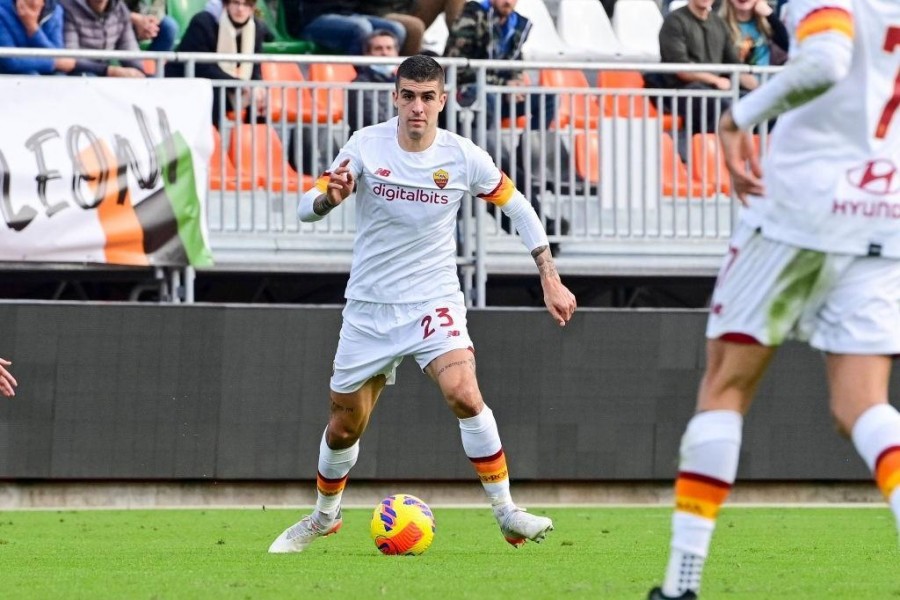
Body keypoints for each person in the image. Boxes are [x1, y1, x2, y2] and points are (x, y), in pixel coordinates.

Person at [268, 54, 577, 554]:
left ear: (443, 100)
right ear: (395, 97)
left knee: (464, 394)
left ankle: (507, 513)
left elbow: (517, 206)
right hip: (369, 307)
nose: (417, 107)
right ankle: (324, 517)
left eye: (427, 97)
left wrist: (550, 276)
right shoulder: (366, 145)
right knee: (344, 427)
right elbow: (307, 205)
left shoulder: (462, 156)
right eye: (408, 96)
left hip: (433, 301)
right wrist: (329, 197)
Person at [648, 0, 900, 598]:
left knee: (725, 387)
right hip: (881, 212)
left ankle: (681, 586)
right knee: (862, 405)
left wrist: (737, 117)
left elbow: (826, 62)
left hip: (800, 208)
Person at [445, 0, 554, 132]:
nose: (508, 1)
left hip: (499, 93)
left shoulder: (517, 25)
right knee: (488, 96)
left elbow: (516, 63)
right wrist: (504, 84)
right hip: (465, 93)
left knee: (547, 97)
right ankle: (488, 151)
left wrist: (516, 85)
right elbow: (459, 70)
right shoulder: (472, 15)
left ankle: (526, 150)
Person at [654, 0, 758, 134]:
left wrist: (760, 89)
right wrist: (715, 80)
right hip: (682, 92)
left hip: (717, 90)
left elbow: (734, 64)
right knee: (725, 108)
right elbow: (681, 69)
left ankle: (757, 152)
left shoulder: (719, 23)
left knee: (761, 105)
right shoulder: (674, 21)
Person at [164, 0, 266, 126]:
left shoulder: (256, 28)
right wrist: (239, 84)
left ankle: (253, 141)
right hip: (182, 87)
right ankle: (214, 141)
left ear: (252, 8)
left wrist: (255, 86)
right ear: (226, 4)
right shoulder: (203, 22)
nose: (240, 9)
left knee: (260, 96)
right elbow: (202, 67)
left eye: (246, 4)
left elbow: (255, 66)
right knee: (214, 92)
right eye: (236, 3)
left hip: (223, 87)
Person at [282, 0, 408, 56]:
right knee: (361, 28)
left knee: (396, 29)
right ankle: (360, 79)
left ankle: (387, 77)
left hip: (349, 15)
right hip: (313, 19)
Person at [60, 0, 146, 77]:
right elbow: (71, 59)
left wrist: (139, 72)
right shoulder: (69, 8)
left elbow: (130, 51)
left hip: (106, 71)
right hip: (80, 73)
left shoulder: (121, 9)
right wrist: (109, 71)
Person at [0, 0, 78, 74]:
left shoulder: (55, 10)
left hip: (46, 73)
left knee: (60, 78)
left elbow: (57, 54)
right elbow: (10, 61)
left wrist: (33, 29)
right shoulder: (2, 10)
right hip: (10, 76)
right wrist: (53, 63)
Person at [347, 29, 399, 133]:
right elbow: (371, 119)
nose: (385, 53)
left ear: (397, 53)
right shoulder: (359, 84)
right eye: (378, 48)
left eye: (389, 48)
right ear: (367, 54)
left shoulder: (404, 83)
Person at [720, 0, 789, 70]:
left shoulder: (767, 24)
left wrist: (770, 15)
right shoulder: (720, 24)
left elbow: (788, 45)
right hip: (735, 78)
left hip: (765, 78)